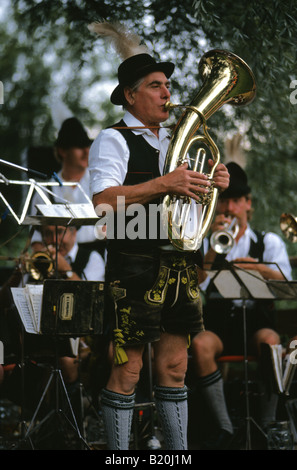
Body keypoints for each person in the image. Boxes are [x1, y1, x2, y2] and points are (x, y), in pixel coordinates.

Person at [88, 37, 230, 449]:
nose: (167, 92)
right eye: (154, 85)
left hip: (179, 263)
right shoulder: (112, 139)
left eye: (167, 84)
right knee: (129, 369)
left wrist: (211, 183)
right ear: (130, 96)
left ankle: (177, 455)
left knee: (175, 366)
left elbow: (184, 202)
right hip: (133, 262)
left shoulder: (175, 139)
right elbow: (102, 202)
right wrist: (165, 182)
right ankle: (119, 455)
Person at [190, 162, 292, 449]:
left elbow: (284, 283)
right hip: (221, 322)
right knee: (200, 345)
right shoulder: (208, 241)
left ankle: (269, 423)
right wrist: (212, 247)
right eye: (224, 200)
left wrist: (256, 268)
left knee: (271, 342)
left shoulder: (268, 241)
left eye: (236, 200)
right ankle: (223, 426)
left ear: (248, 204)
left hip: (257, 321)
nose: (229, 207)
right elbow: (197, 284)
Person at [30, 117, 105, 257]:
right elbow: (36, 238)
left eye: (87, 146)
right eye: (79, 147)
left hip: (97, 257)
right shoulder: (45, 190)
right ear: (63, 151)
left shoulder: (101, 183)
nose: (86, 152)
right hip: (59, 259)